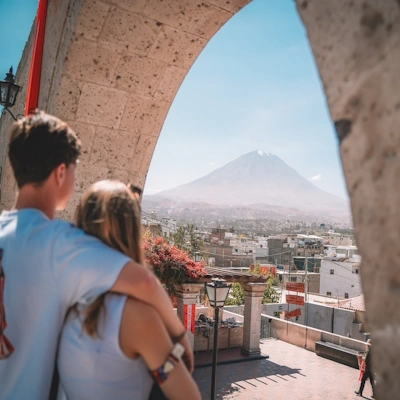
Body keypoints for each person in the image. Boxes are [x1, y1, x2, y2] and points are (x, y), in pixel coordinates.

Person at [0, 111, 193, 400]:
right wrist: (180, 338)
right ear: (61, 172)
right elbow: (144, 283)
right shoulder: (57, 243)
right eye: (75, 169)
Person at [58, 180, 201, 400]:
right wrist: (176, 353)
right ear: (132, 229)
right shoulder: (136, 317)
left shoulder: (64, 300)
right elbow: (187, 395)